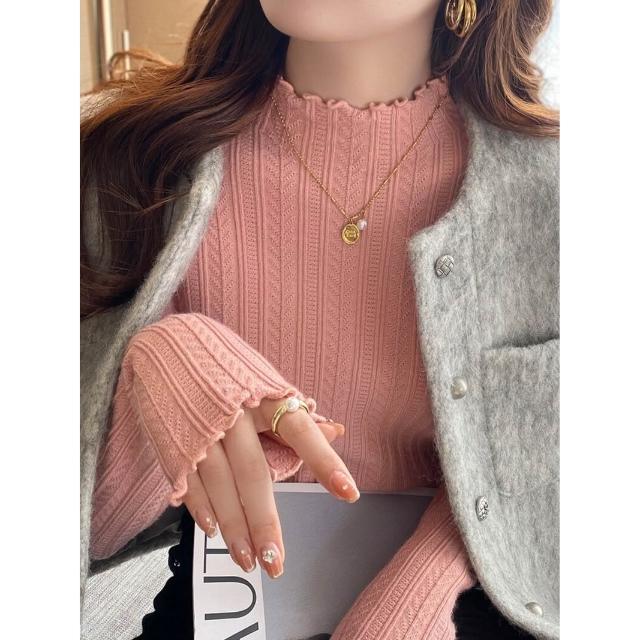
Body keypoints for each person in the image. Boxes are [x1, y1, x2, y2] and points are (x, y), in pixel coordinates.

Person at [80, 1, 559, 638]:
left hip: (469, 597)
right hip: (225, 596)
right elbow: (89, 531)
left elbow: (551, 473)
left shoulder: (550, 186)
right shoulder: (134, 160)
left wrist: (418, 590)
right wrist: (161, 355)